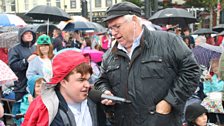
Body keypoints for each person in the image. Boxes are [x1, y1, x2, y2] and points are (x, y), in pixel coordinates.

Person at [94, 2, 200, 126]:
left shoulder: (168, 41)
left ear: (134, 20)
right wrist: (106, 92)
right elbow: (101, 81)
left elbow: (192, 71)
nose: (113, 33)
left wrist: (169, 102)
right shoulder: (110, 55)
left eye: (117, 26)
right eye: (110, 28)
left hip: (161, 122)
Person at [22, 50, 98, 126]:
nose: (87, 85)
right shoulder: (47, 110)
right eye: (81, 80)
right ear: (63, 82)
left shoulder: (95, 101)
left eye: (88, 80)